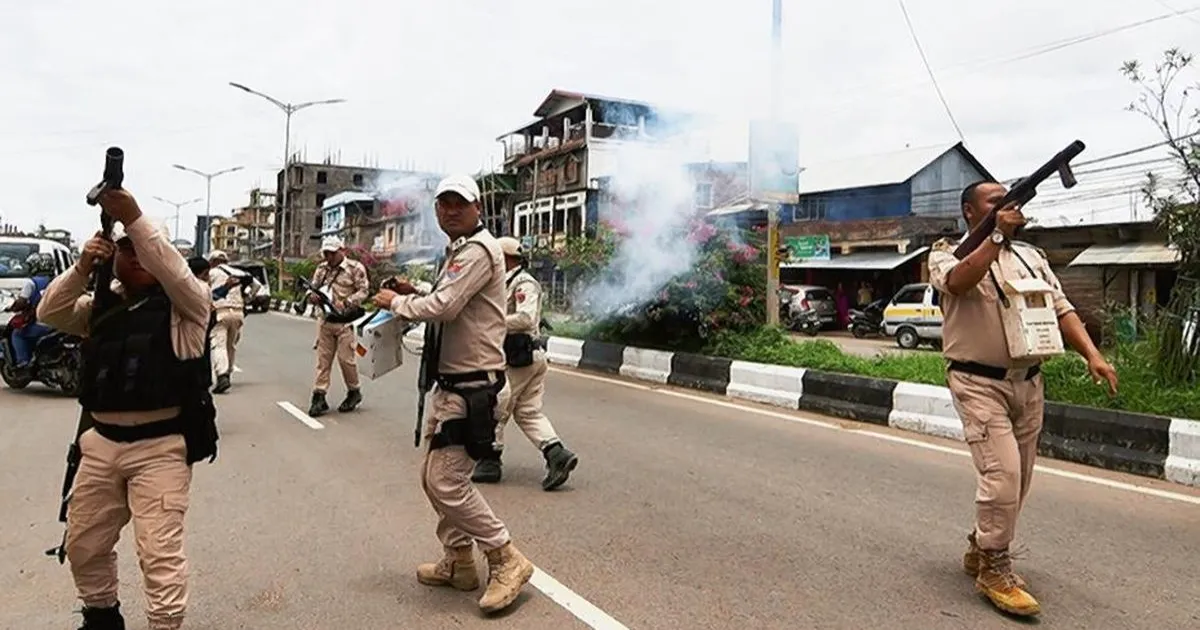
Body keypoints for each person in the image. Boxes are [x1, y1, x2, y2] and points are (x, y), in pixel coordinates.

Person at [928, 180, 1118, 618]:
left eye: (1010, 200)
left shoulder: (1032, 256)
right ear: (970, 212)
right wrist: (996, 236)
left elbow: (1061, 307)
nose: (1008, 206)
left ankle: (981, 544)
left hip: (1029, 381)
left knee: (1022, 479)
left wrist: (1093, 355)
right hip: (978, 382)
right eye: (995, 202)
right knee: (1003, 474)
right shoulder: (944, 253)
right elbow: (960, 281)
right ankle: (995, 567)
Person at [37, 189, 217, 630]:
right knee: (83, 545)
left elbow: (172, 270)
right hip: (99, 444)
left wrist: (132, 217)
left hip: (160, 448)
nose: (137, 256)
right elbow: (50, 311)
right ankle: (101, 616)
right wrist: (83, 266)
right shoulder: (101, 305)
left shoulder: (187, 306)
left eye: (146, 248)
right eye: (126, 249)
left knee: (159, 556)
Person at [371, 174, 534, 615]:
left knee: (446, 480)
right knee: (434, 477)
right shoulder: (461, 251)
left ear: (477, 207)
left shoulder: (480, 249)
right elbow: (446, 296)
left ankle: (506, 558)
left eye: (459, 204)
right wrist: (415, 291)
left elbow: (445, 307)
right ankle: (459, 561)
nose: (449, 211)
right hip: (455, 386)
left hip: (473, 388)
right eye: (443, 204)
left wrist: (394, 303)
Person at [470, 236, 579, 490]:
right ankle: (557, 454)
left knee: (495, 404)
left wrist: (491, 323)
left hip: (520, 356)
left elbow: (526, 318)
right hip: (524, 356)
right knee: (528, 412)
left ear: (506, 258)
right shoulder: (503, 282)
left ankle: (490, 461)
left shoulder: (524, 283)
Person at [305, 236, 369, 416]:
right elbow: (313, 287)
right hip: (325, 321)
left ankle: (354, 391)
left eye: (332, 253)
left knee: (345, 360)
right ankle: (319, 396)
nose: (329, 257)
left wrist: (348, 301)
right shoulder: (321, 269)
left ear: (342, 251)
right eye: (326, 253)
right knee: (323, 362)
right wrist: (312, 296)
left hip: (345, 322)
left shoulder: (355, 268)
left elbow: (364, 290)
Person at [205, 250, 260, 394]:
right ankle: (228, 372)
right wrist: (246, 299)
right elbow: (257, 286)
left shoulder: (211, 273)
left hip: (220, 311)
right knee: (231, 344)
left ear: (212, 262)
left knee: (219, 345)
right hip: (238, 312)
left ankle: (222, 375)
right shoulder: (238, 272)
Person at [6, 253, 56, 367]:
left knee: (17, 334)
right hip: (59, 324)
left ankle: (23, 362)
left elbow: (21, 302)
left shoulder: (31, 283)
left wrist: (12, 306)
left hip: (41, 324)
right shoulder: (57, 281)